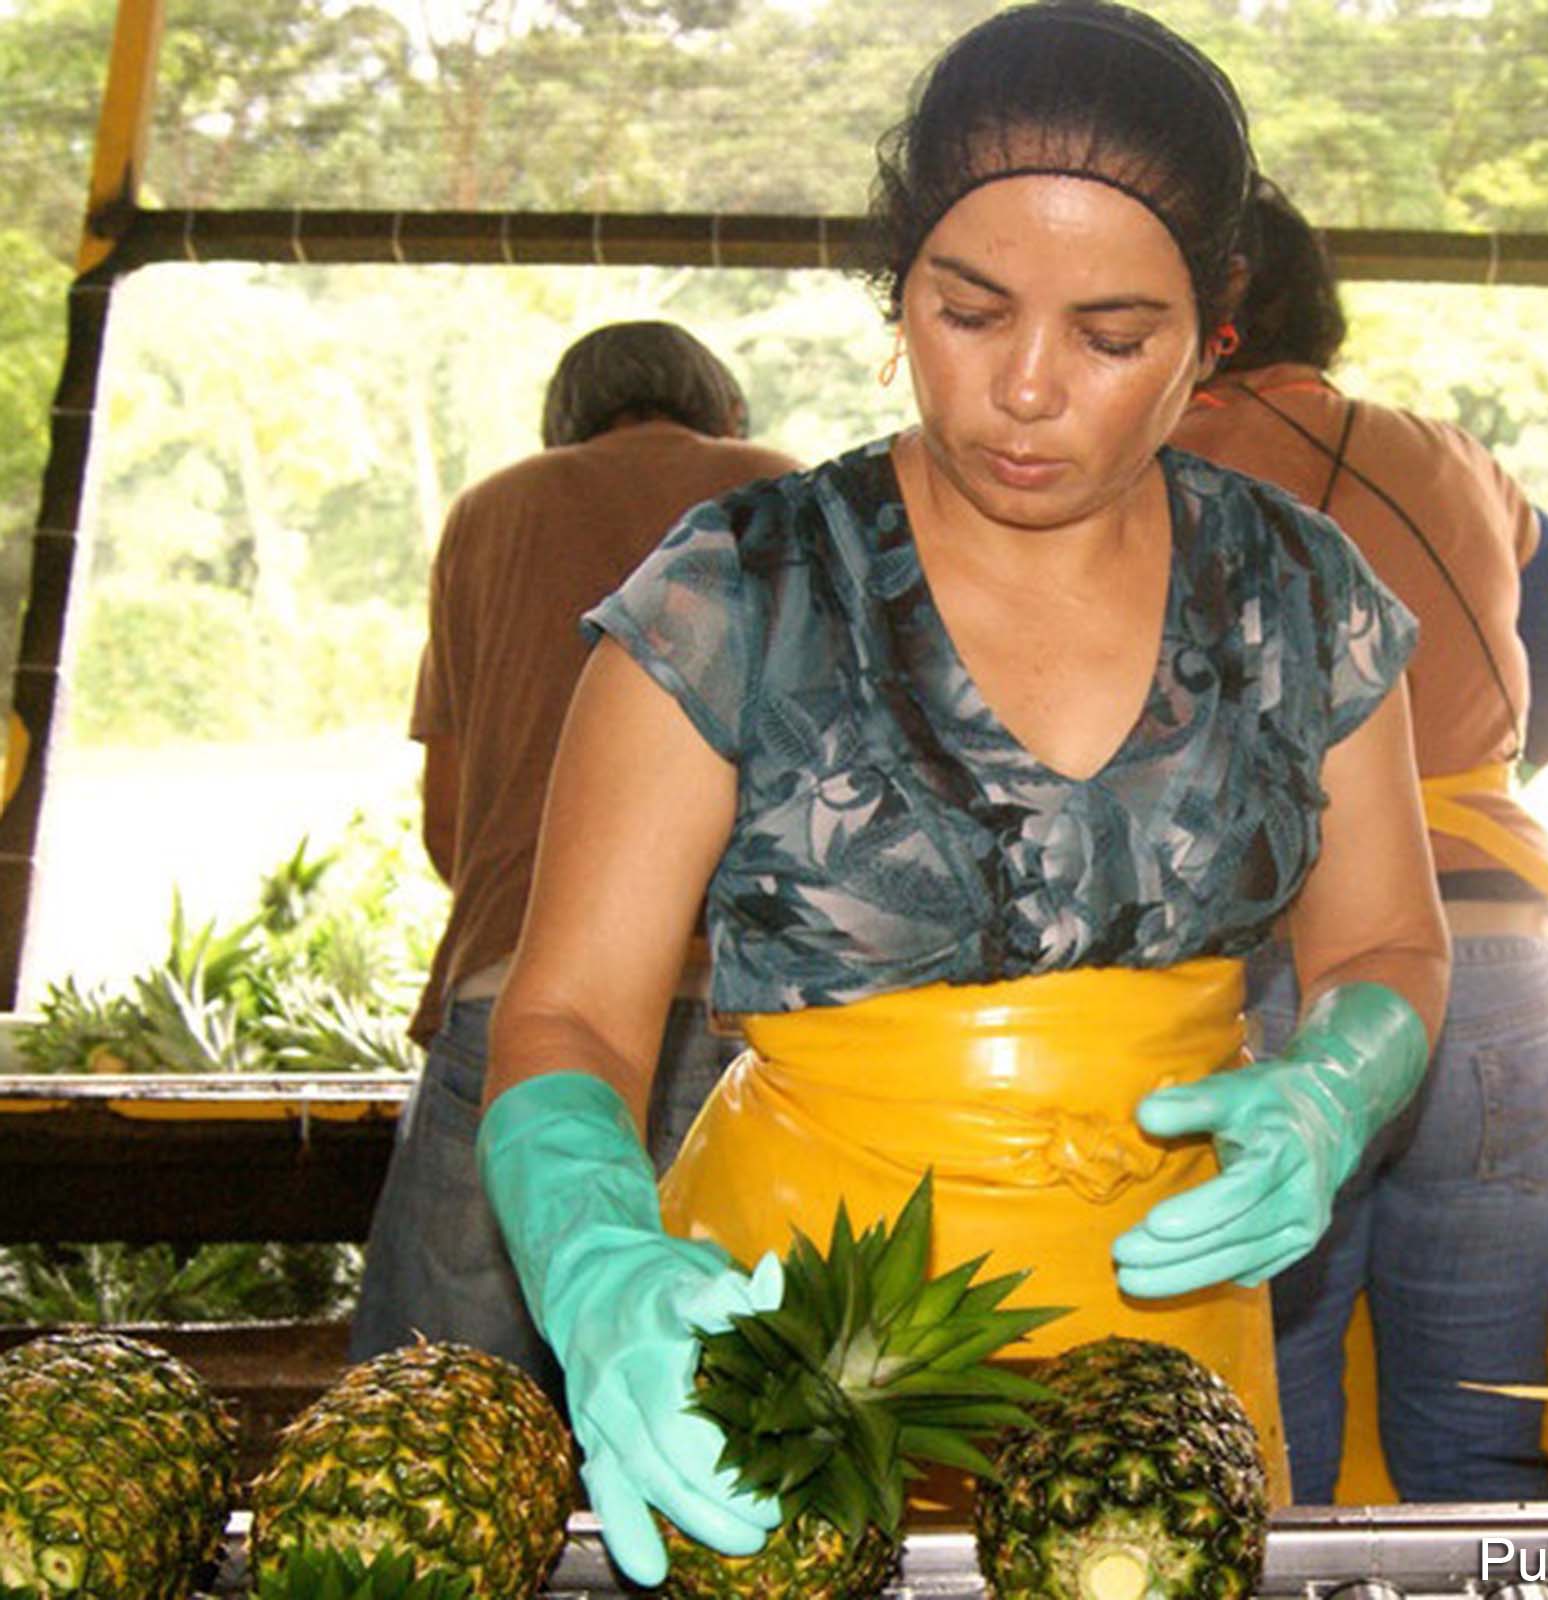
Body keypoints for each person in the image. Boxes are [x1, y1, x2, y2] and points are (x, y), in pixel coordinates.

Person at [470, 3, 1450, 1581]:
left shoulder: (1296, 595)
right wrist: (592, 1253)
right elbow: (571, 1014)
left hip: (1169, 1351)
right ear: (898, 294)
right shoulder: (744, 593)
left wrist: (1334, 1088)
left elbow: (1392, 947)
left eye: (1113, 339)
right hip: (795, 1350)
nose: (1028, 390)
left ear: (1214, 338)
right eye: (970, 312)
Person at [1169, 181, 1548, 1502]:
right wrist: (1482, 770)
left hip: (1276, 984)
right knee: (1484, 1434)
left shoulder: (1149, 468)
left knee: (1274, 1435)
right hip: (1504, 968)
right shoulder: (1448, 453)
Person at [351, 323, 797, 1396]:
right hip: (753, 1003)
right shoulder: (785, 489)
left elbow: (449, 826)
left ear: (563, 425)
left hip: (523, 996)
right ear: (722, 409)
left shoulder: (489, 512)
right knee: (745, 1409)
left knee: (434, 1404)